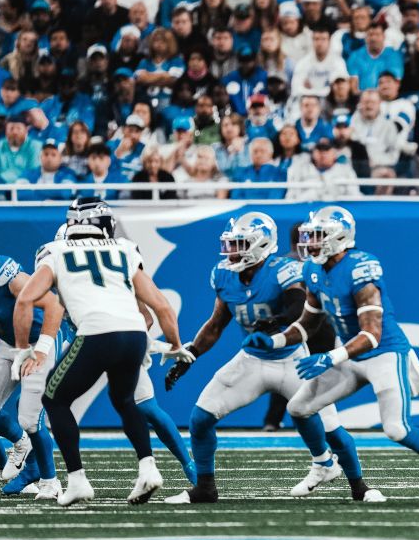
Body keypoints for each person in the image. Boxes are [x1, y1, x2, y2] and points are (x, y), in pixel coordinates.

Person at [244, 206, 419, 504]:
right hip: (353, 354)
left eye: (317, 236)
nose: (310, 243)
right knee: (299, 407)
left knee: (397, 428)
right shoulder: (313, 269)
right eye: (309, 236)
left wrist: (330, 358)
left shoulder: (361, 267)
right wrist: (276, 340)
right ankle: (323, 464)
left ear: (339, 237)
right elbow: (309, 320)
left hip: (384, 352)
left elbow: (371, 335)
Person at [158, 212, 378, 504]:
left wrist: (275, 322)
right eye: (230, 243)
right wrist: (192, 354)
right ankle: (205, 488)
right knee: (200, 418)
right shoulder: (223, 274)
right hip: (252, 359)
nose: (231, 251)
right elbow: (215, 323)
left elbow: (298, 305)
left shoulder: (284, 269)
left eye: (239, 243)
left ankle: (359, 486)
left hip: (292, 359)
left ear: (260, 245)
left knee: (331, 428)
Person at [14, 197, 189, 506]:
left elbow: (26, 300)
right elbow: (160, 305)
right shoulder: (123, 248)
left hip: (96, 333)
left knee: (54, 399)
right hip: (134, 334)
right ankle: (148, 468)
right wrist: (175, 345)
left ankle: (78, 480)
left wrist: (23, 348)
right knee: (125, 401)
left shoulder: (55, 251)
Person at [0, 223, 69, 499]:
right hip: (5, 342)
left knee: (31, 419)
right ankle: (20, 442)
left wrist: (42, 349)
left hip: (37, 341)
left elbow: (53, 305)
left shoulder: (3, 272)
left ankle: (50, 482)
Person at [285, 139, 358, 200]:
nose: (323, 154)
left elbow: (354, 196)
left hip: (338, 211)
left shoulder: (346, 170)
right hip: (307, 210)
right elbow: (291, 196)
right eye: (319, 150)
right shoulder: (301, 170)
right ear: (313, 153)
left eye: (327, 150)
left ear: (334, 153)